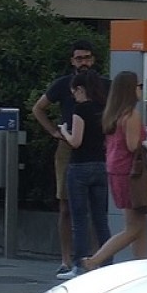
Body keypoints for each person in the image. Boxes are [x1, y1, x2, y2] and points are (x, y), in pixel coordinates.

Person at [31, 40, 106, 276]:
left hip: (95, 148)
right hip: (69, 146)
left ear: (93, 59)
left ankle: (95, 258)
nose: (83, 62)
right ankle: (66, 259)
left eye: (87, 57)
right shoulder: (64, 84)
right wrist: (54, 131)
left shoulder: (104, 84)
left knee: (97, 210)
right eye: (79, 58)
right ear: (72, 61)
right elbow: (38, 108)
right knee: (66, 206)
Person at [80, 71, 147, 270]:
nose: (141, 90)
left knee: (139, 225)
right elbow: (132, 145)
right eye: (139, 86)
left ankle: (143, 266)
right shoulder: (132, 115)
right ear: (130, 89)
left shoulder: (113, 115)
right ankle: (95, 260)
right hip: (132, 175)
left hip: (116, 171)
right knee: (134, 228)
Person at [55, 70, 111, 280]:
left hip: (79, 167)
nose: (74, 96)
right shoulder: (103, 108)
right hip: (100, 165)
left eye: (74, 92)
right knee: (100, 219)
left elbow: (76, 141)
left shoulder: (81, 109)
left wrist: (64, 131)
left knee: (79, 219)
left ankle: (79, 266)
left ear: (80, 89)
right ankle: (107, 264)